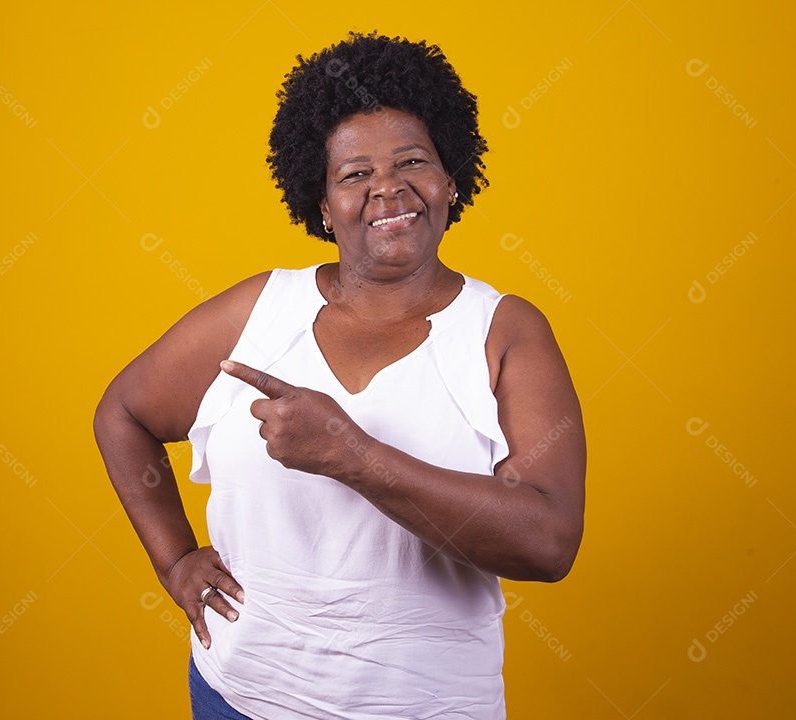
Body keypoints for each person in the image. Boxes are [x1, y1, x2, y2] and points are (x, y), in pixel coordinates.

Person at [93, 31, 586, 720]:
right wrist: (174, 561)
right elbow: (123, 414)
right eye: (355, 174)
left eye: (412, 161)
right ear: (323, 206)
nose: (388, 186)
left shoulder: (505, 333)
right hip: (241, 698)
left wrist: (354, 456)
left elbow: (549, 541)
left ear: (449, 179)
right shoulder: (259, 312)